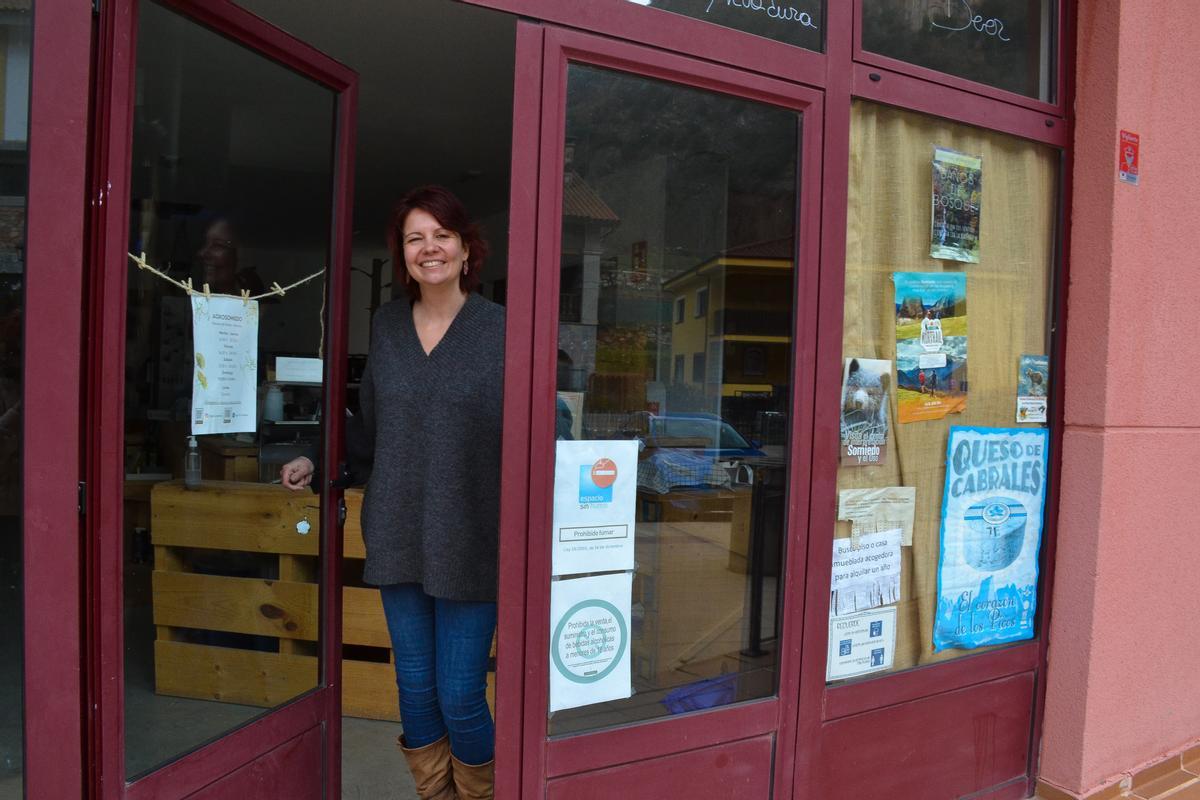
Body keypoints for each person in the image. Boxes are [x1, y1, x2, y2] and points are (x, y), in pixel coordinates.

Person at [280, 186, 504, 800]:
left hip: (473, 536)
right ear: (402, 253)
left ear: (465, 248)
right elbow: (369, 427)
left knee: (461, 696)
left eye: (441, 236)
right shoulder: (385, 326)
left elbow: (541, 431)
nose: (428, 248)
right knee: (415, 692)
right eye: (414, 238)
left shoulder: (503, 331)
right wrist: (315, 455)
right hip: (400, 529)